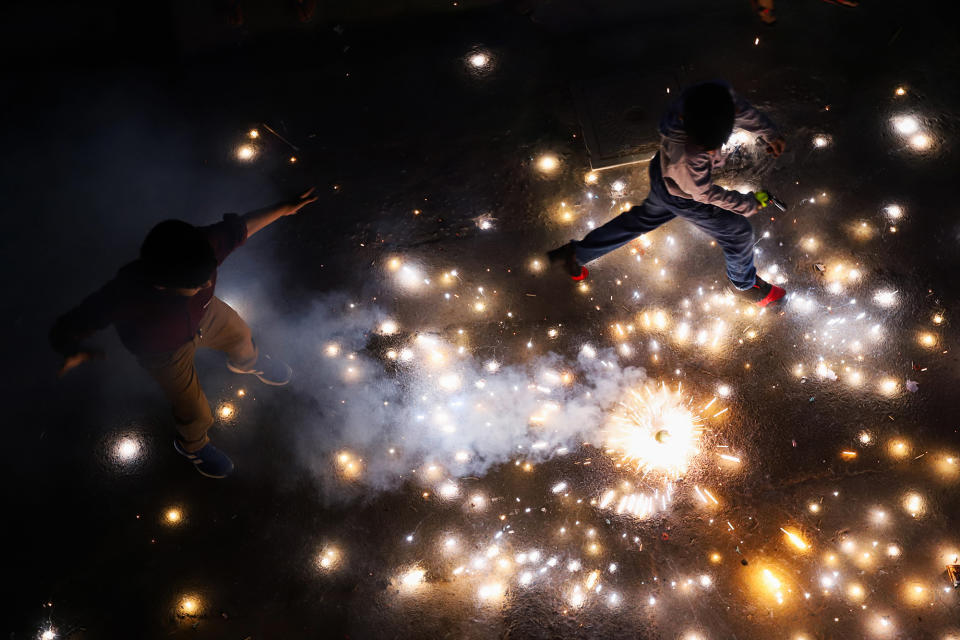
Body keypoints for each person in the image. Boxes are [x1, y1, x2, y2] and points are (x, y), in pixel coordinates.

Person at [50, 189, 319, 478]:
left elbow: (244, 226)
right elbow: (68, 325)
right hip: (165, 352)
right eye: (196, 284)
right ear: (161, 285)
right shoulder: (124, 295)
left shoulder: (202, 245)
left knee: (240, 333)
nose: (207, 284)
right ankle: (192, 445)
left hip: (207, 315)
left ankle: (247, 363)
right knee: (195, 410)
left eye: (208, 275)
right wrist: (70, 350)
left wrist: (283, 207)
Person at [548, 81, 787, 308]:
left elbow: (735, 108)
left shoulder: (710, 101)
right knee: (738, 231)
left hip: (664, 177)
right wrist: (747, 203)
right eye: (708, 148)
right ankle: (744, 286)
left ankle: (576, 254)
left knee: (642, 219)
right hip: (682, 195)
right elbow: (705, 194)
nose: (715, 151)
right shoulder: (688, 157)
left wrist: (770, 133)